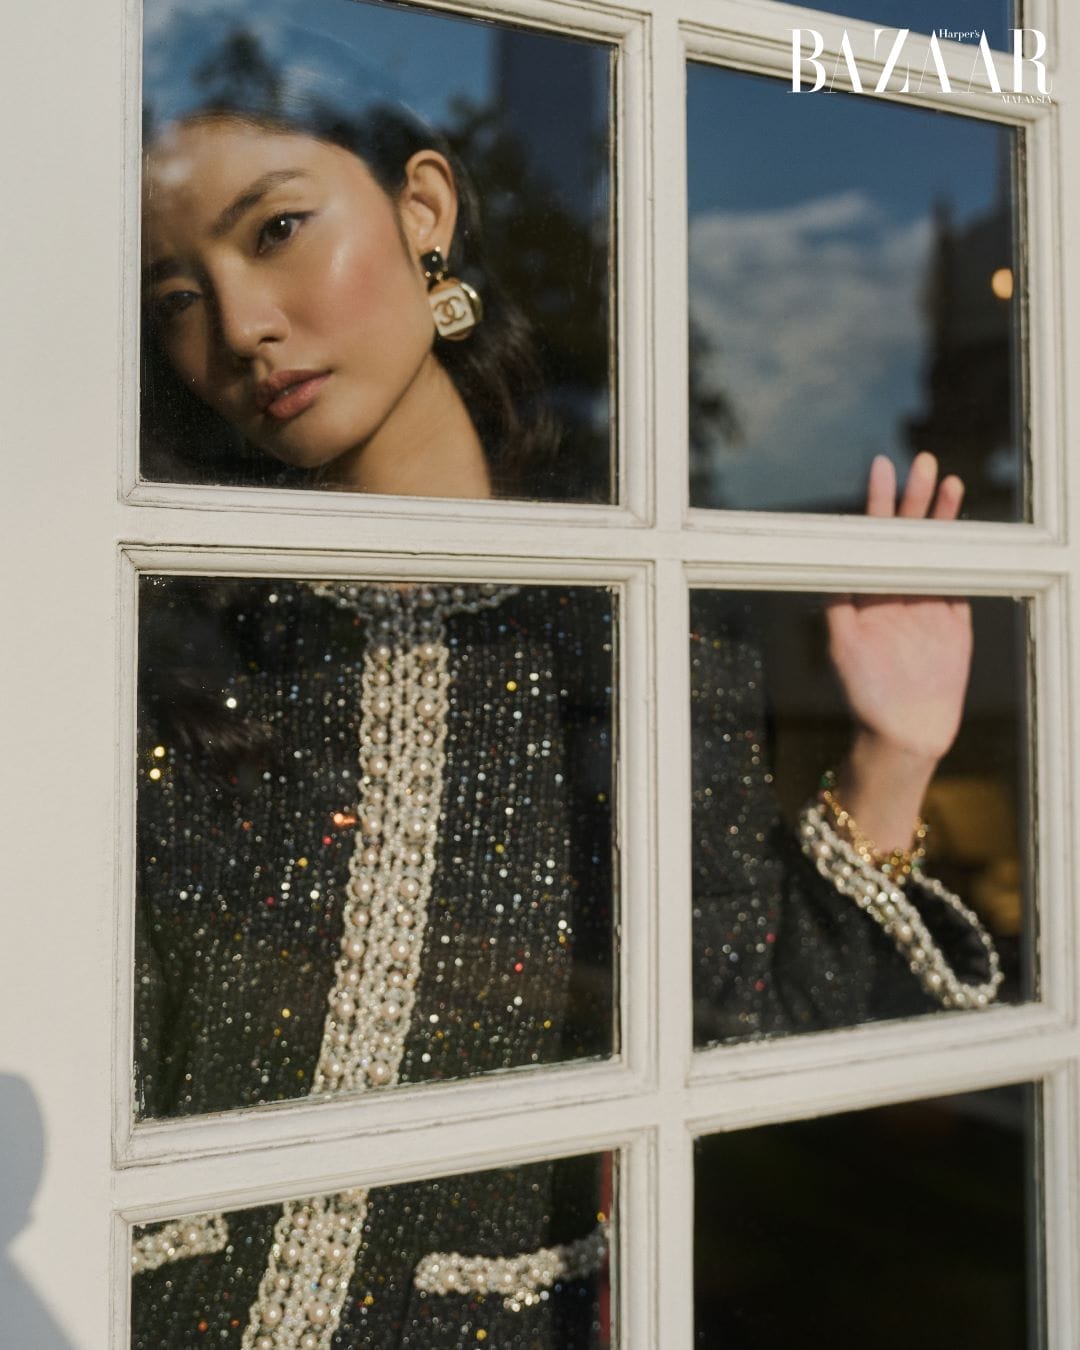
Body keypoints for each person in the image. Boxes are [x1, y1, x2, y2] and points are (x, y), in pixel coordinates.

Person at [133, 76, 996, 1350]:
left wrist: (896, 757)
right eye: (177, 299)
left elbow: (740, 1026)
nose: (242, 327)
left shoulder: (631, 625)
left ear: (424, 212)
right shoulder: (173, 642)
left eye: (277, 230)